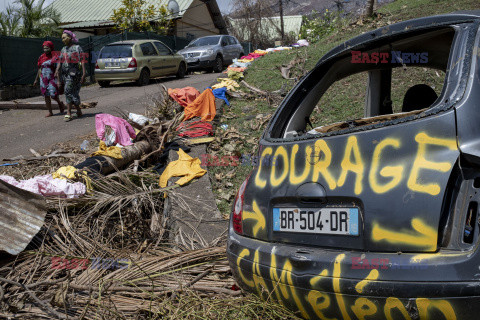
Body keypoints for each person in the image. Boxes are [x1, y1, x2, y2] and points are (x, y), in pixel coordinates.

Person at [55, 30, 86, 122]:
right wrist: (57, 70)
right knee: (72, 93)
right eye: (62, 38)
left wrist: (84, 74)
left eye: (64, 37)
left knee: (67, 90)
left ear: (70, 38)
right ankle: (79, 111)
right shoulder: (63, 49)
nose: (63, 40)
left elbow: (83, 61)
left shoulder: (77, 48)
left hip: (74, 74)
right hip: (66, 74)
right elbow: (60, 62)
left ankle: (68, 112)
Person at [33, 41, 65, 117]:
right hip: (43, 79)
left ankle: (60, 104)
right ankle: (50, 112)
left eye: (47, 48)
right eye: (44, 48)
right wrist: (36, 79)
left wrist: (59, 80)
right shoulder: (41, 57)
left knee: (53, 94)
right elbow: (39, 69)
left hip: (52, 78)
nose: (45, 49)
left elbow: (58, 67)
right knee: (46, 95)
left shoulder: (55, 56)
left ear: (51, 48)